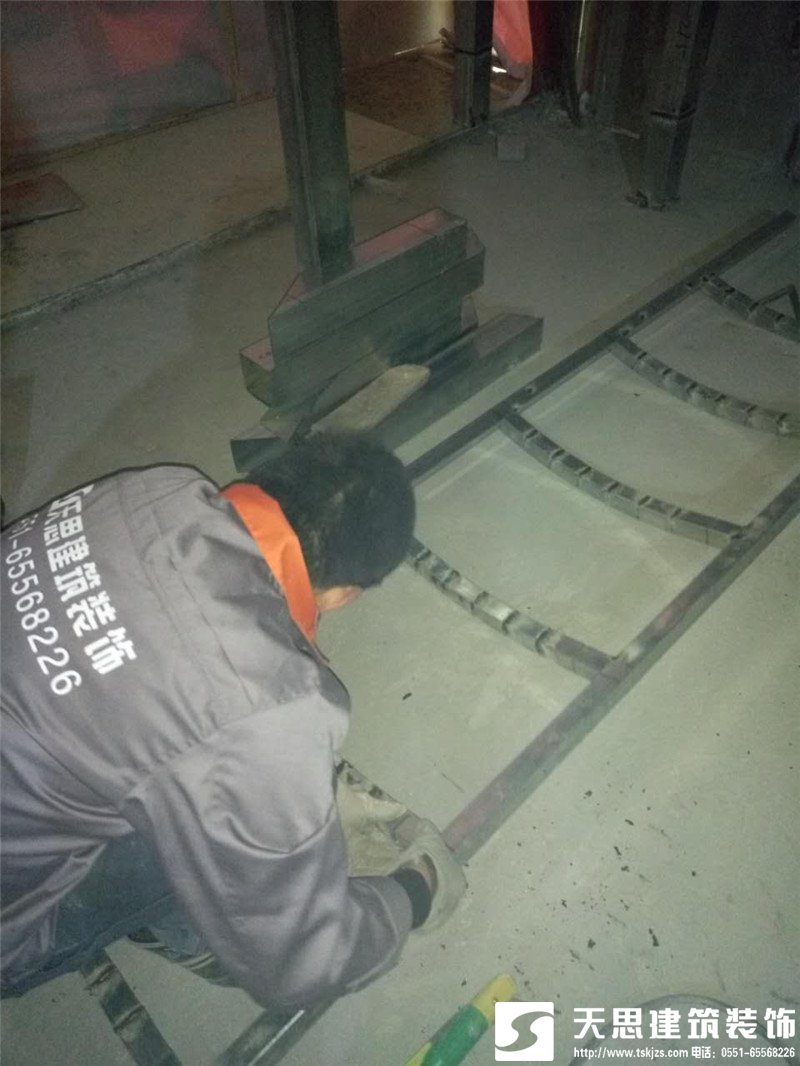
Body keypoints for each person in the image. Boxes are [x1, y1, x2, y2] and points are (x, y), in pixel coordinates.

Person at [1, 433, 453, 1010]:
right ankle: (186, 935)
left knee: (177, 761)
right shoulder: (261, 706)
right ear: (343, 596)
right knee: (221, 817)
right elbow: (305, 965)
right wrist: (410, 894)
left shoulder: (156, 487)